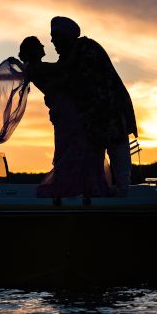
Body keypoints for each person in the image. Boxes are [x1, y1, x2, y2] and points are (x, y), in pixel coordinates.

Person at [50, 16, 138, 196]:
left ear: (66, 36)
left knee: (118, 151)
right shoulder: (69, 56)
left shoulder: (87, 49)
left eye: (55, 36)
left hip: (110, 113)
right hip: (91, 121)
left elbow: (72, 80)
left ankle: (123, 191)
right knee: (95, 159)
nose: (52, 41)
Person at [19, 36, 110, 197]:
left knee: (76, 147)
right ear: (34, 50)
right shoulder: (36, 68)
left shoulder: (37, 68)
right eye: (39, 44)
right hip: (66, 112)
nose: (43, 45)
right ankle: (74, 187)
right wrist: (77, 49)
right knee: (74, 148)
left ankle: (82, 186)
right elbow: (64, 67)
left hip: (65, 110)